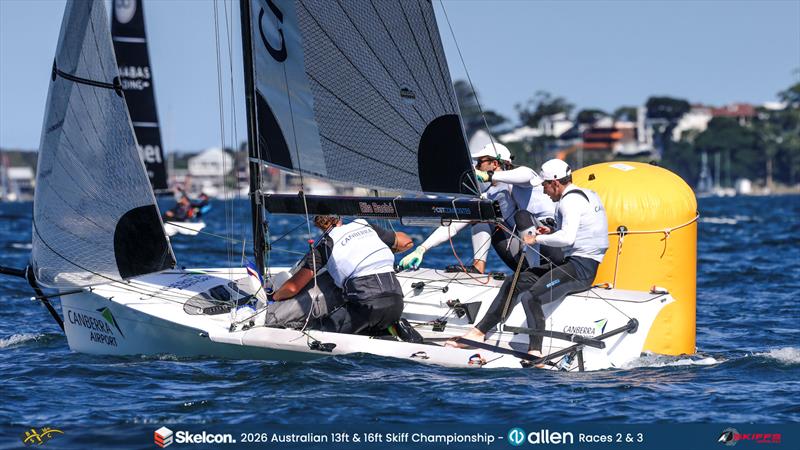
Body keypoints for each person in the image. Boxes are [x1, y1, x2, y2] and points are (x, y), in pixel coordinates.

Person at [448, 159, 609, 364]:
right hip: (573, 263)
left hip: (581, 269)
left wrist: (537, 238)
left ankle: (535, 352)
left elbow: (567, 239)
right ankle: (478, 333)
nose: (544, 191)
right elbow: (580, 232)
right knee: (514, 281)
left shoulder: (570, 201)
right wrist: (550, 232)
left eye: (545, 186)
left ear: (555, 183)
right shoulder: (583, 195)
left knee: (532, 297)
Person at [399, 142, 558, 274]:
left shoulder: (523, 180)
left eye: (480, 162)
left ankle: (534, 274)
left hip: (550, 247)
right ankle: (478, 267)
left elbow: (526, 173)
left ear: (495, 164)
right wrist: (422, 249)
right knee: (479, 214)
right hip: (523, 257)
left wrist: (490, 176)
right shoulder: (488, 195)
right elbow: (454, 225)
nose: (476, 166)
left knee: (522, 216)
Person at [271, 215, 413, 335]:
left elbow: (292, 288)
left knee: (315, 332)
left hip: (367, 308)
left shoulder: (325, 245)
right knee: (373, 325)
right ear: (340, 218)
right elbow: (406, 242)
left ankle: (383, 327)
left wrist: (274, 296)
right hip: (397, 303)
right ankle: (392, 325)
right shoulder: (364, 225)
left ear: (317, 225)